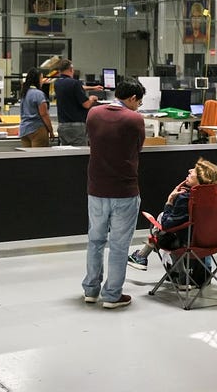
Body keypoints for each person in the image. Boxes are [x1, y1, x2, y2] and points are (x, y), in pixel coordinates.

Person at [82, 79, 146, 309]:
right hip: (124, 190)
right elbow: (137, 148)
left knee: (95, 240)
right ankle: (112, 295)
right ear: (131, 99)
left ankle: (91, 289)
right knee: (119, 245)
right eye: (138, 101)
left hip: (97, 188)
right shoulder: (134, 119)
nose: (138, 106)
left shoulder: (94, 114)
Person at [127, 158, 217, 272]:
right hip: (213, 243)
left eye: (194, 170)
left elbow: (167, 225)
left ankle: (143, 257)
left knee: (163, 226)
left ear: (202, 178)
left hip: (186, 244)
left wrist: (170, 200)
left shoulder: (187, 199)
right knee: (167, 225)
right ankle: (141, 256)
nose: (189, 170)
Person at [54, 59, 98, 146]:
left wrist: (92, 88)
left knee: (66, 154)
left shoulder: (57, 83)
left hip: (63, 125)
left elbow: (73, 87)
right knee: (79, 155)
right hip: (76, 127)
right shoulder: (75, 83)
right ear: (71, 69)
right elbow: (86, 104)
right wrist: (92, 98)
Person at [19, 67, 54, 147]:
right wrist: (50, 130)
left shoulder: (24, 92)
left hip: (24, 130)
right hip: (37, 129)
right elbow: (44, 114)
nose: (42, 81)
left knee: (28, 157)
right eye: (41, 78)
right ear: (37, 79)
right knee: (38, 157)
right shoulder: (38, 94)